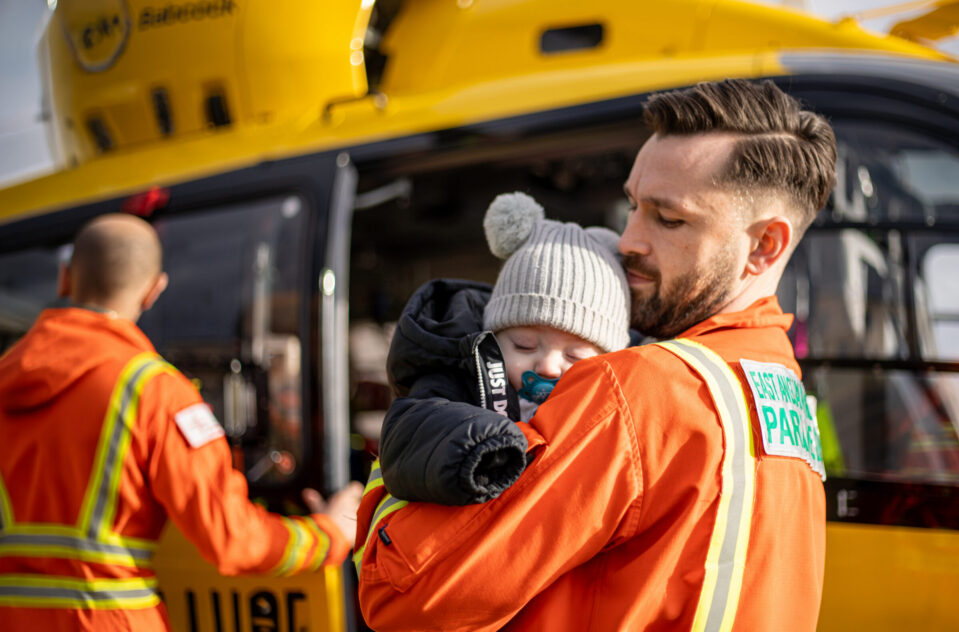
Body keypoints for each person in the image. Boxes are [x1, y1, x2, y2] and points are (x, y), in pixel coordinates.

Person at [356, 78, 835, 631]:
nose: (627, 238)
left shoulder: (637, 390)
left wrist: (437, 398)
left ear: (764, 245)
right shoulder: (781, 390)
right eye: (632, 205)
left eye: (669, 218)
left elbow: (401, 594)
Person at [0, 213, 363, 631]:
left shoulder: (7, 379)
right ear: (155, 290)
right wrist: (330, 534)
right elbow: (228, 537)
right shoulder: (153, 390)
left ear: (65, 278)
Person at [370, 191, 631, 507]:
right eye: (524, 345)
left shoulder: (613, 410)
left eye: (573, 355)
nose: (547, 366)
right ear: (492, 337)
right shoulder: (455, 379)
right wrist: (485, 447)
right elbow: (409, 437)